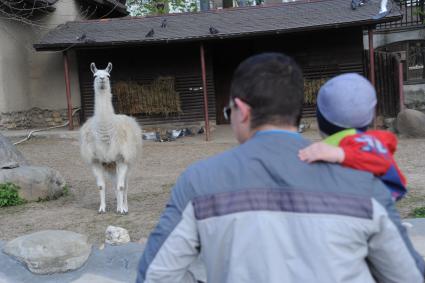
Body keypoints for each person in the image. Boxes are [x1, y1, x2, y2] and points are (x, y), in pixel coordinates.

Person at [136, 53, 424, 283]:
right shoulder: (363, 181)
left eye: (229, 113)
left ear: (242, 110)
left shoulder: (197, 182)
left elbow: (155, 275)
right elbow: (408, 275)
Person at [299, 73, 407, 201]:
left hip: (379, 204)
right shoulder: (371, 139)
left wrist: (342, 154)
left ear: (320, 117)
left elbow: (380, 160)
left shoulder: (362, 142)